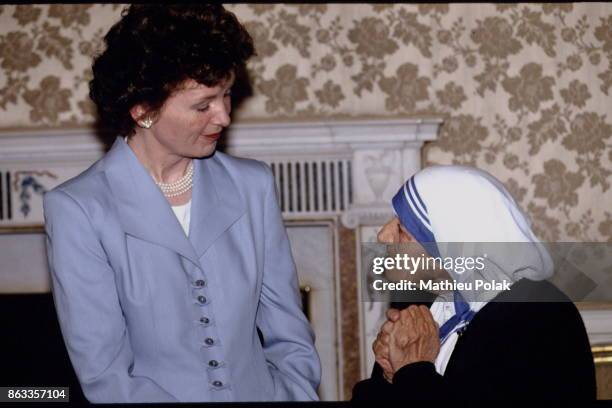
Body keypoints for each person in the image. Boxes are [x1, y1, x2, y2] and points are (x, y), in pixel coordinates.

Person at [42, 4, 320, 403]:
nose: (223, 116)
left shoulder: (252, 185)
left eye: (227, 95)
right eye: (203, 105)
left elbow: (290, 334)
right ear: (143, 110)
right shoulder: (78, 210)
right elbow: (106, 375)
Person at [352, 165, 596, 400]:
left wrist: (412, 370)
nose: (383, 236)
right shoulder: (425, 306)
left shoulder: (539, 316)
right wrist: (389, 375)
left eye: (402, 229)